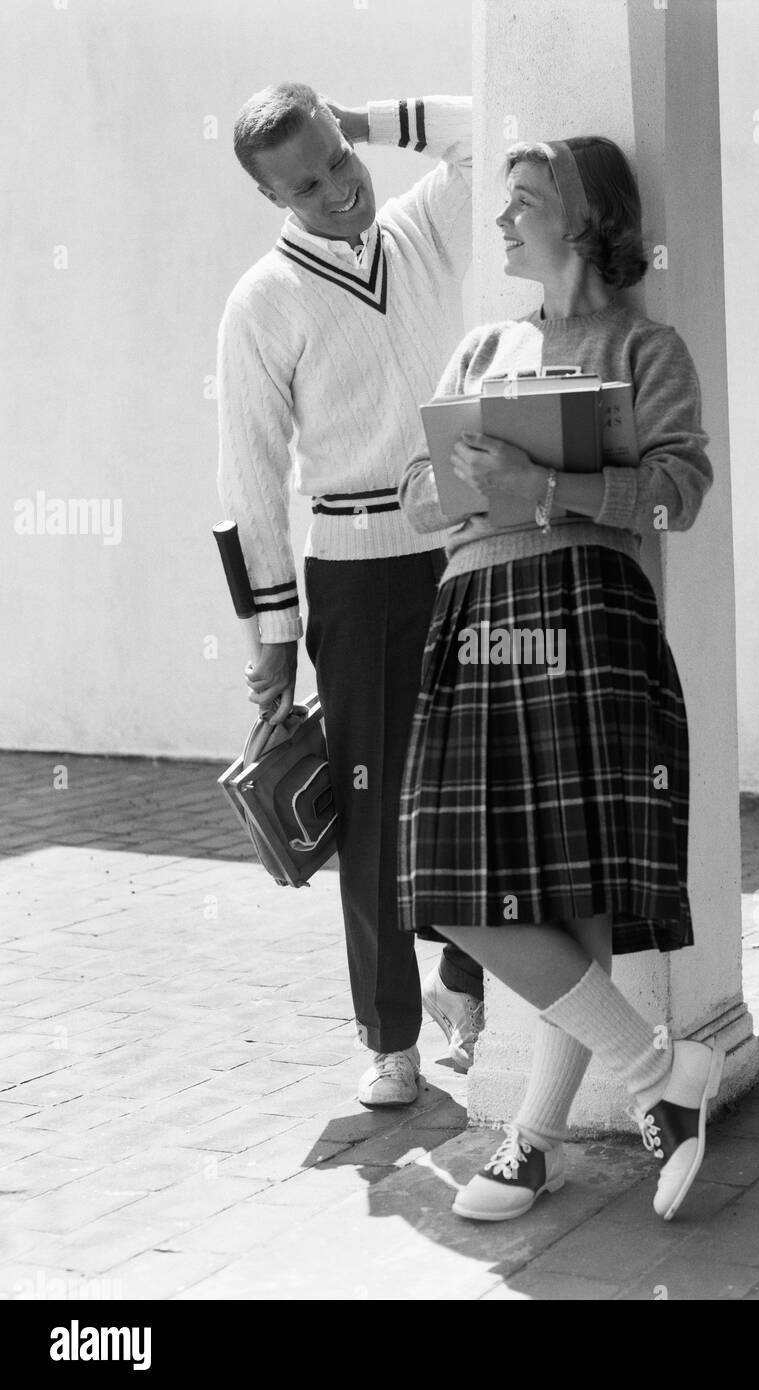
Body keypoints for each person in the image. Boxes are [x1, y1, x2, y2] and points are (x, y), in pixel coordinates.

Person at [398, 135, 720, 1221]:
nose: (503, 221)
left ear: (584, 225)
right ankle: (658, 1075)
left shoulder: (648, 347)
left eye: (525, 202)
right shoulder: (482, 347)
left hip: (590, 612)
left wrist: (548, 491)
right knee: (449, 884)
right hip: (474, 612)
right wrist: (463, 488)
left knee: (568, 886)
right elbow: (414, 493)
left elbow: (679, 492)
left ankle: (529, 1143)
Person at [216, 83, 484, 1106]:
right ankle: (391, 1038)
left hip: (464, 547)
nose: (338, 188)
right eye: (307, 181)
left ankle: (467, 976)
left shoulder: (417, 228)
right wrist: (272, 645)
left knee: (482, 780)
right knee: (372, 811)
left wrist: (362, 118)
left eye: (338, 157)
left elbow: (481, 125)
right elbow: (249, 481)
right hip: (354, 578)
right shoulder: (261, 302)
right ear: (268, 195)